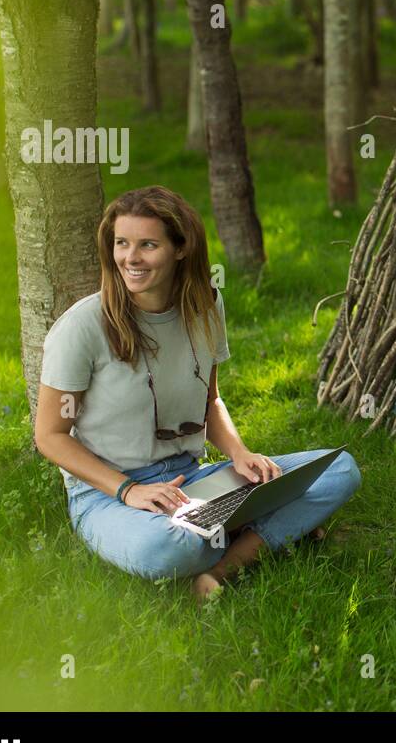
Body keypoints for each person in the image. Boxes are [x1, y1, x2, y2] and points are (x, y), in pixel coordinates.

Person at [33, 186, 360, 601]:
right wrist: (129, 491)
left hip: (191, 482)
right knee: (170, 547)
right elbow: (50, 436)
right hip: (107, 497)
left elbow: (211, 402)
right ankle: (263, 528)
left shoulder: (206, 304)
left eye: (147, 245)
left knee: (340, 469)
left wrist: (240, 454)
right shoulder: (82, 326)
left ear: (181, 248)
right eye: (121, 244)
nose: (130, 258)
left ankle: (225, 565)